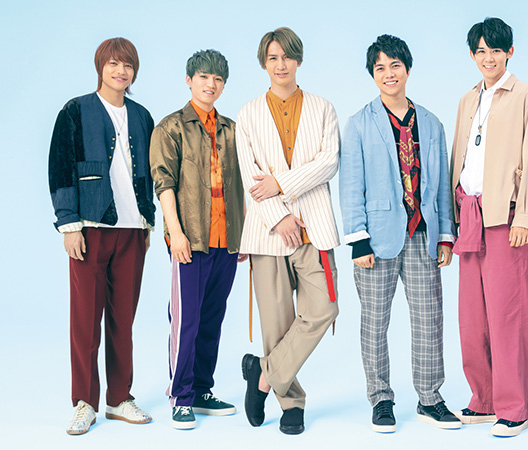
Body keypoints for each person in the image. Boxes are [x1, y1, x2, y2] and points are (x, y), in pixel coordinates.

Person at [339, 34, 459, 433]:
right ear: (372, 75)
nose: (389, 74)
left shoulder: (431, 123)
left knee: (429, 320)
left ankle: (430, 399)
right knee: (375, 322)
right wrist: (358, 240)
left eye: (395, 66)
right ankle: (381, 399)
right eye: (380, 68)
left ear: (407, 69)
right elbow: (351, 185)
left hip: (423, 234)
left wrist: (446, 235)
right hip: (376, 239)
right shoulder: (359, 123)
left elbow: (442, 184)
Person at [48, 37, 154, 435]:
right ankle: (84, 403)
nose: (121, 71)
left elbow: (148, 174)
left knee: (123, 321)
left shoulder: (142, 116)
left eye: (127, 65)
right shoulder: (75, 111)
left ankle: (119, 398)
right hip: (91, 229)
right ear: (100, 67)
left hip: (132, 231)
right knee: (85, 321)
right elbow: (60, 168)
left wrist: (147, 222)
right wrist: (69, 224)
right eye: (113, 63)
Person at [237, 27, 340, 435]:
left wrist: (280, 183)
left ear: (298, 60)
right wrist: (278, 216)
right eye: (273, 58)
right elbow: (249, 175)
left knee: (324, 308)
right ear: (264, 63)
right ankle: (291, 404)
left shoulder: (323, 108)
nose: (280, 65)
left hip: (315, 229)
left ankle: (263, 375)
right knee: (276, 325)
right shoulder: (248, 114)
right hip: (268, 233)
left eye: (287, 57)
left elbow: (328, 162)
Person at [450, 17, 528, 437]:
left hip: (505, 218)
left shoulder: (526, 96)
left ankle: (514, 406)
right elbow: (459, 157)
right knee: (472, 317)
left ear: (509, 52)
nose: (488, 58)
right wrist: (452, 218)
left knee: (508, 316)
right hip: (468, 213)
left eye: (495, 50)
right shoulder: (467, 99)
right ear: (473, 55)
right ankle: (483, 399)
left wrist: (525, 217)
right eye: (481, 51)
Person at [150, 49, 246, 430]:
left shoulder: (232, 130)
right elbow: (164, 184)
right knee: (185, 319)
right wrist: (175, 233)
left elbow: (240, 184)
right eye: (204, 77)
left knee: (212, 317)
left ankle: (203, 389)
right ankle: (181, 396)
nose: (211, 84)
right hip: (190, 240)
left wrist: (243, 235)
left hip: (227, 241)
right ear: (189, 80)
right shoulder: (170, 127)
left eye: (218, 79)